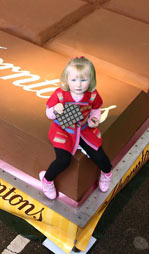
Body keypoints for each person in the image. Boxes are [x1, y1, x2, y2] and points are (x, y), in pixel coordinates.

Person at [39, 57, 113, 200]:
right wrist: (55, 109)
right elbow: (48, 113)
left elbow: (96, 109)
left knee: (100, 156)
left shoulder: (92, 95)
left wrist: (94, 119)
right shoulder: (60, 94)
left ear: (91, 80)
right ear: (66, 79)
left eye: (83, 80)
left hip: (84, 129)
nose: (78, 84)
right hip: (63, 130)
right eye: (73, 80)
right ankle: (47, 180)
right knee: (63, 160)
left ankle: (107, 173)